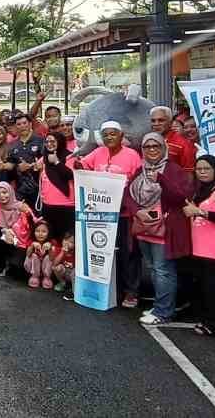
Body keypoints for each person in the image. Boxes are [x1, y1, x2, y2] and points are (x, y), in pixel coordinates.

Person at [123, 132, 193, 326]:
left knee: (163, 271)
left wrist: (161, 180)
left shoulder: (174, 170)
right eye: (147, 146)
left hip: (165, 229)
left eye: (156, 146)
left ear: (164, 148)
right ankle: (161, 306)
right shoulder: (141, 169)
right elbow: (127, 194)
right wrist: (137, 211)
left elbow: (181, 197)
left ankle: (163, 312)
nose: (152, 150)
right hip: (144, 228)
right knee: (154, 269)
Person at [73, 120, 143, 309]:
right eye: (105, 135)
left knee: (128, 252)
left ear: (121, 136)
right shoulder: (98, 152)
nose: (109, 137)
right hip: (100, 213)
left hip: (125, 213)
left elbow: (138, 180)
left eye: (113, 134)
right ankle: (112, 289)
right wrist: (78, 164)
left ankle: (131, 291)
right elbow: (82, 167)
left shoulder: (132, 155)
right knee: (104, 250)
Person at [181, 155, 215, 338]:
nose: (202, 172)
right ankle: (209, 320)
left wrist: (200, 212)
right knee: (205, 288)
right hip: (199, 247)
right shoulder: (199, 189)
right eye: (199, 169)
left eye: (206, 169)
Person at [0, 182, 32, 278]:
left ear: (11, 192)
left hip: (21, 240)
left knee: (17, 270)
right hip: (6, 238)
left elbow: (32, 224)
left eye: (4, 192)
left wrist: (27, 213)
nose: (1, 196)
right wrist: (6, 231)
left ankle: (12, 262)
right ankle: (1, 265)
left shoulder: (20, 205)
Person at [37, 132, 75, 239]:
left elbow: (70, 175)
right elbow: (36, 169)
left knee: (66, 239)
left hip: (66, 206)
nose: (49, 144)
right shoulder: (44, 158)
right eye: (47, 142)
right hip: (47, 205)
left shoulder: (70, 156)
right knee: (50, 239)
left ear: (60, 142)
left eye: (52, 141)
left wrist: (57, 162)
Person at [3, 114, 45, 209]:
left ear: (30, 124)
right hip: (20, 189)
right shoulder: (12, 145)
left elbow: (46, 161)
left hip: (39, 188)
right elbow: (12, 164)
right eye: (19, 124)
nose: (22, 126)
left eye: (24, 123)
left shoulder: (41, 140)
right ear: (15, 127)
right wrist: (4, 166)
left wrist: (31, 166)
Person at [149, 106, 197, 173]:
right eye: (153, 121)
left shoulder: (183, 144)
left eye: (161, 120)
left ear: (170, 122)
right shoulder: (147, 142)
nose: (156, 124)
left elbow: (189, 173)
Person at [24, 220, 57, 290]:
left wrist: (50, 248)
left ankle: (47, 278)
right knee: (33, 256)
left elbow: (52, 258)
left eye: (44, 231)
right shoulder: (31, 241)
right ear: (34, 232)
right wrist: (32, 245)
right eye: (37, 231)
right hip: (33, 269)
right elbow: (28, 255)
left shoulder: (52, 242)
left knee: (48, 257)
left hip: (46, 269)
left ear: (49, 233)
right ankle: (34, 276)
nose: (40, 234)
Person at [52, 231, 77, 299]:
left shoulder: (76, 252)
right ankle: (63, 283)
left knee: (74, 271)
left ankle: (74, 291)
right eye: (65, 240)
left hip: (73, 275)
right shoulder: (59, 250)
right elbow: (54, 264)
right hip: (64, 273)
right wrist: (62, 253)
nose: (67, 243)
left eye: (71, 242)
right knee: (57, 267)